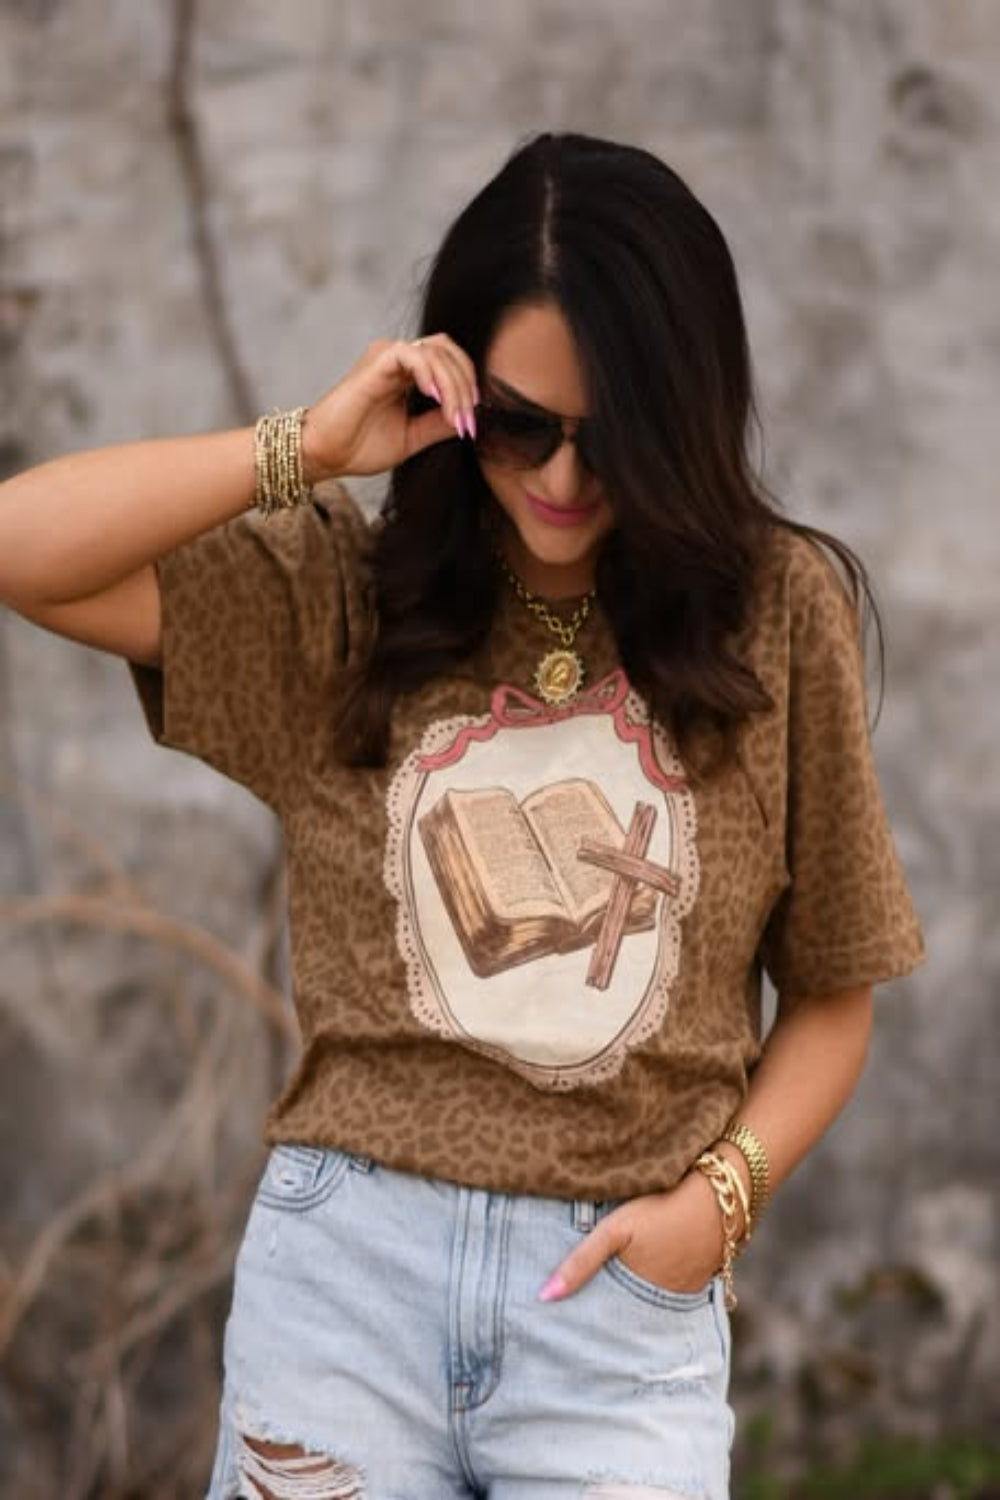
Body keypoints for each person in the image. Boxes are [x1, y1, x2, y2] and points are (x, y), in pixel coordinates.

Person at [0, 131, 924, 1500]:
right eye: (523, 425)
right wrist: (308, 447)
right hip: (344, 1289)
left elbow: (836, 995)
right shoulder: (348, 602)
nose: (562, 479)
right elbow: (23, 548)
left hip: (618, 1314)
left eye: (614, 439)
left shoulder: (775, 615)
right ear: (464, 392)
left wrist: (715, 1208)